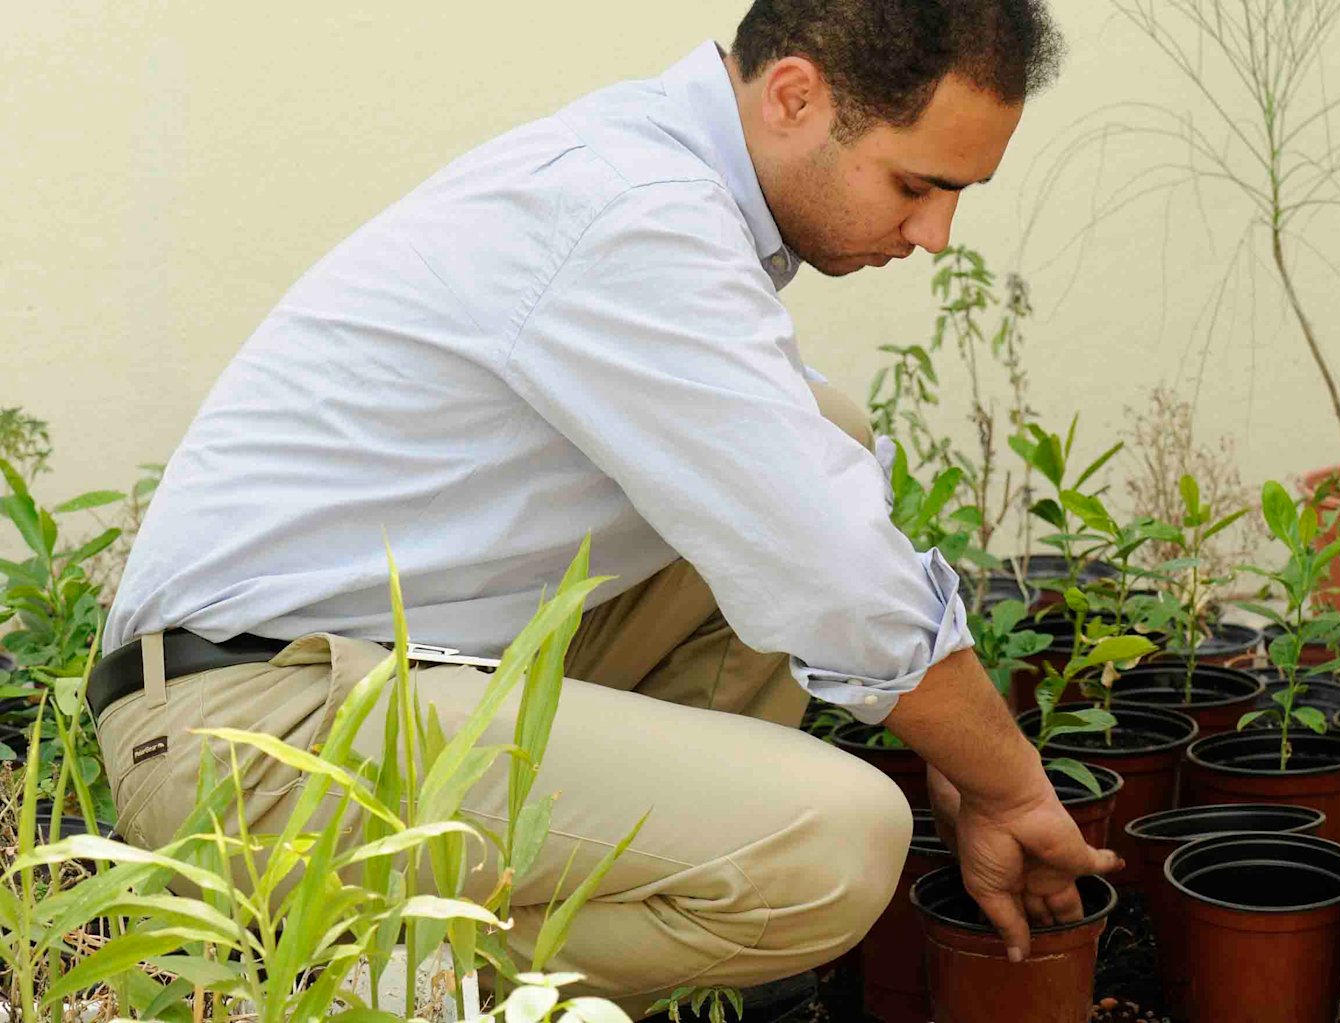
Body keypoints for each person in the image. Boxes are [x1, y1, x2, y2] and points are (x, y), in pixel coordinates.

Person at [95, 0, 1118, 1016]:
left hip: (373, 687)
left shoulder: (651, 181)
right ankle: (351, 983)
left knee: (821, 436)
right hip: (251, 740)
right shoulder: (629, 210)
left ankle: (567, 951)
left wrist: (956, 739)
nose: (937, 235)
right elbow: (831, 563)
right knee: (833, 841)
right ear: (795, 96)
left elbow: (802, 512)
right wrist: (1006, 784)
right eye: (916, 184)